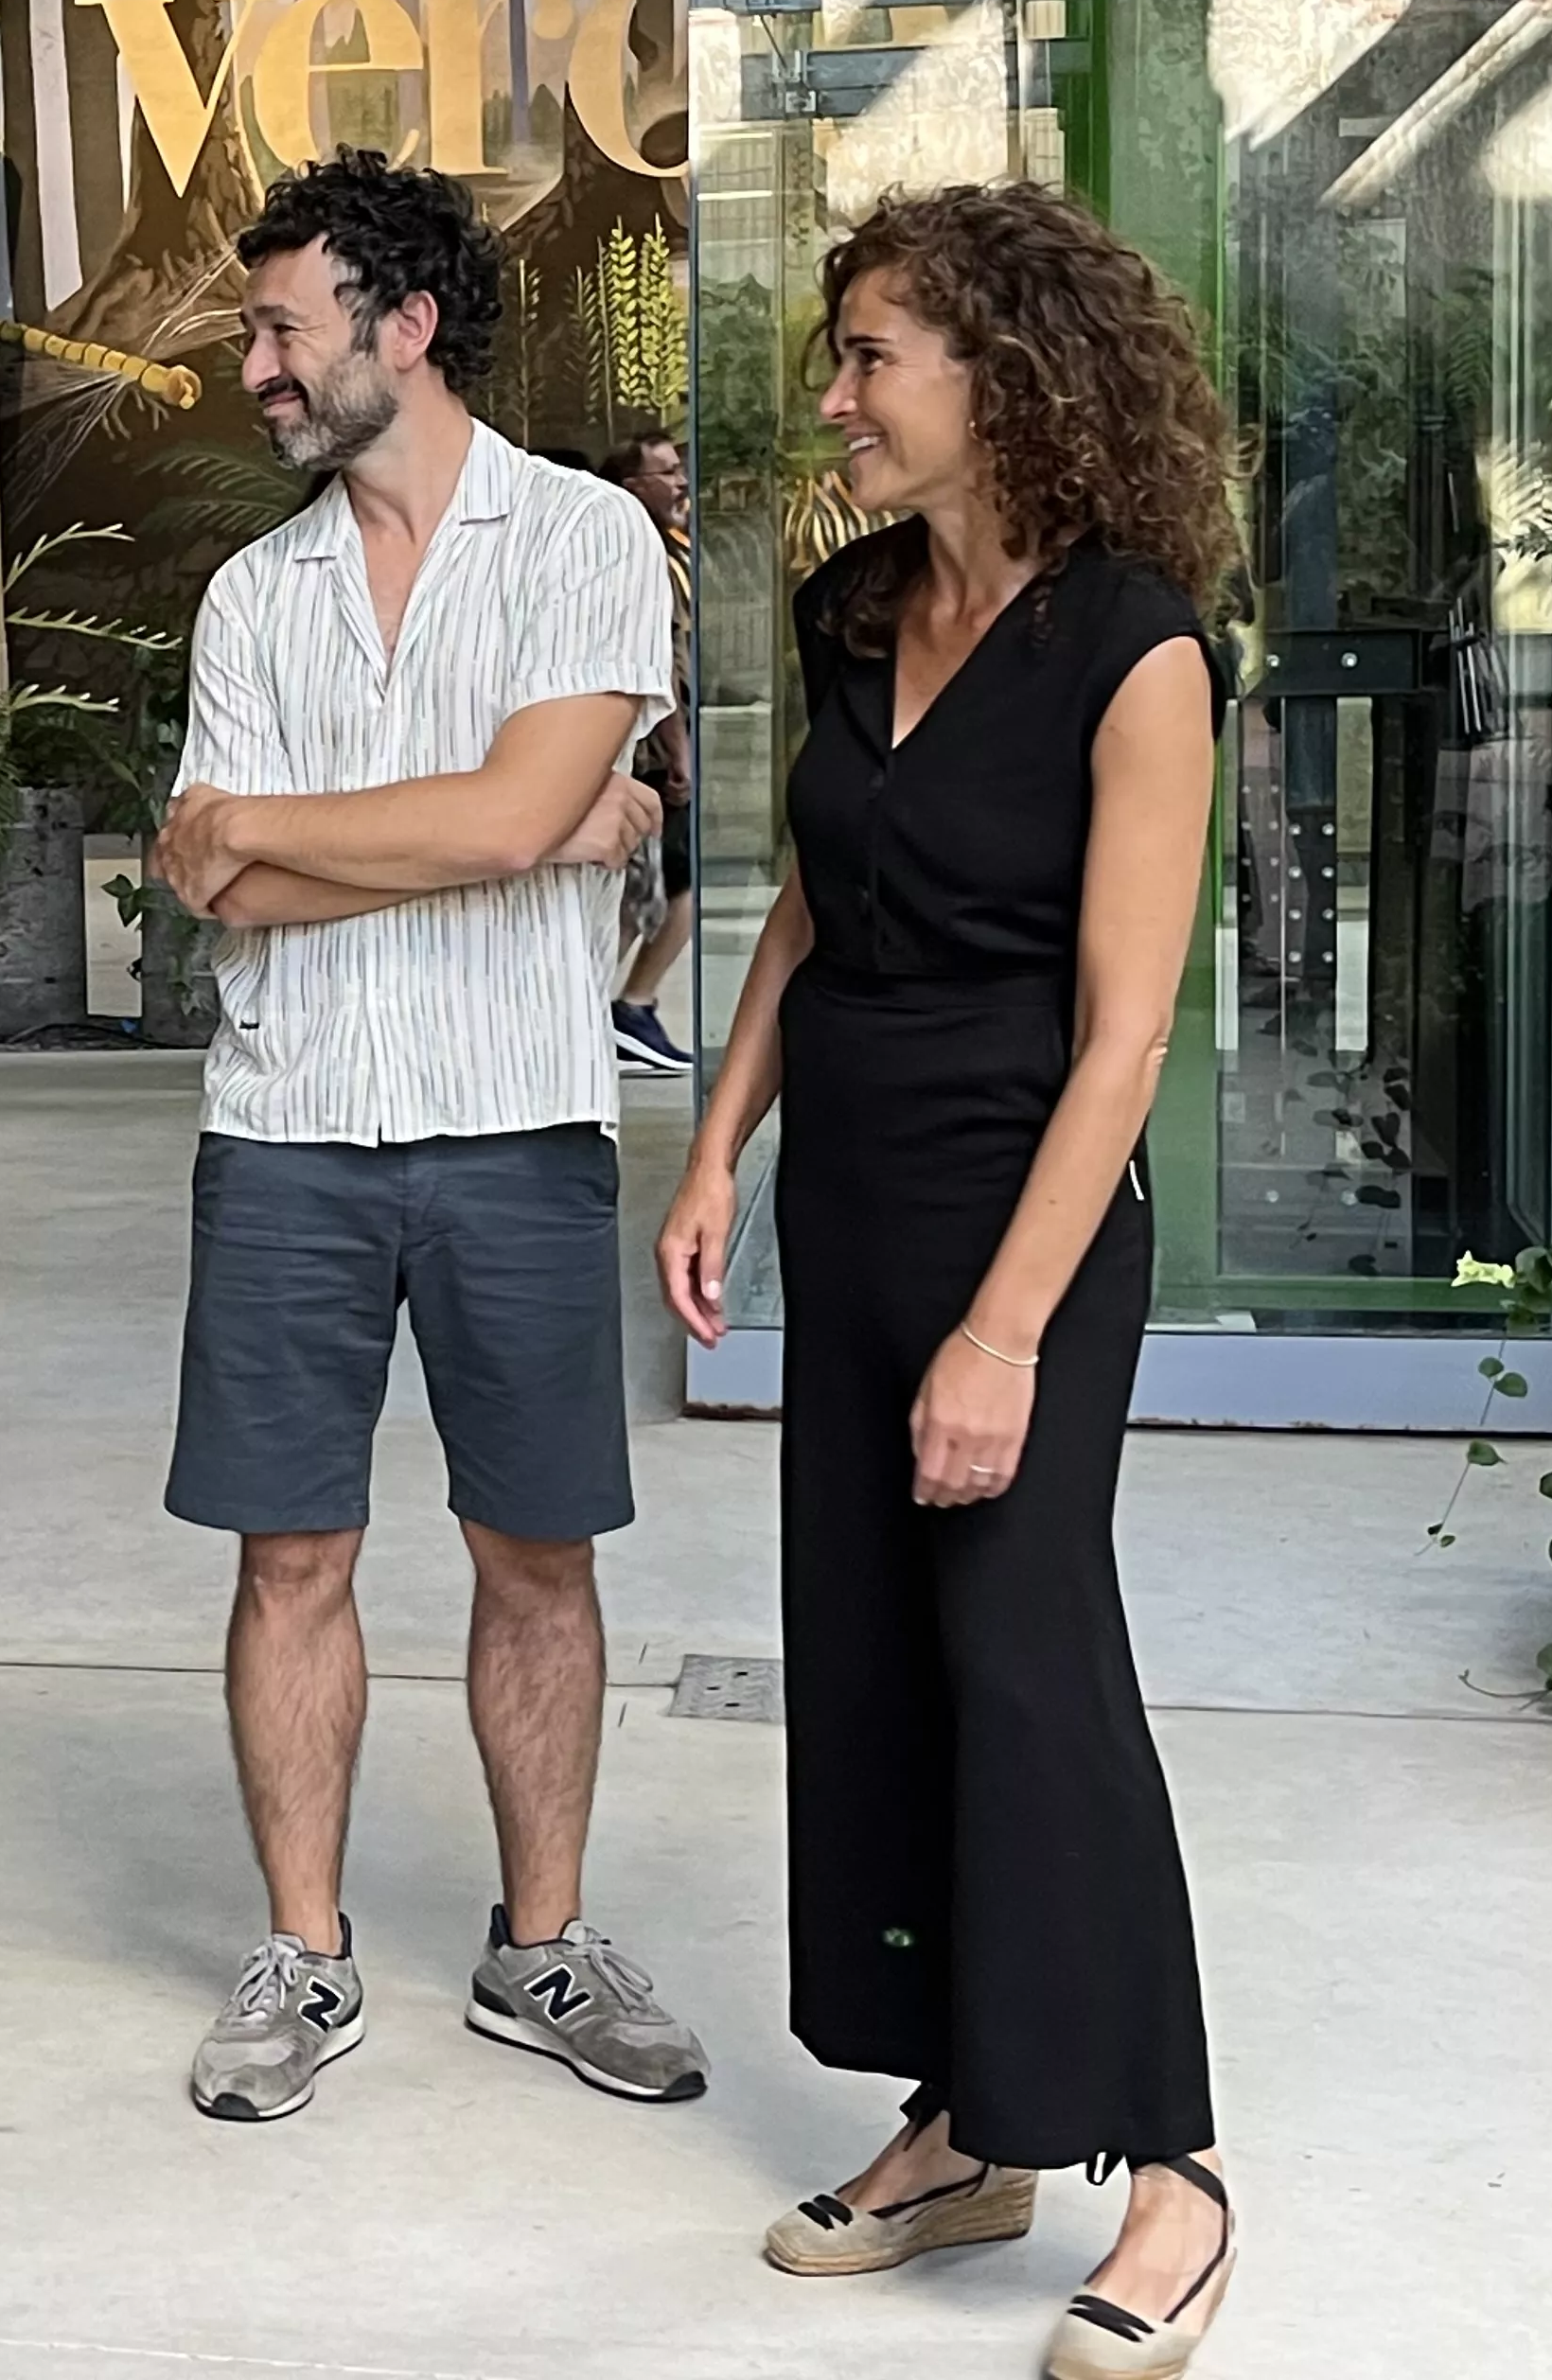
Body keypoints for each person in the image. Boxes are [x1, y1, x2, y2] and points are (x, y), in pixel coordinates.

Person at [654, 183, 1239, 2380]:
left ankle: (1171, 2167)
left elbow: (1127, 1035)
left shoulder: (1138, 650)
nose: (840, 396)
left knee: (1025, 1652)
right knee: (880, 1657)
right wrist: (718, 1147)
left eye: (875, 354)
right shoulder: (849, 607)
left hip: (1034, 1212)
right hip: (855, 1198)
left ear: (1005, 374)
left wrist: (1005, 1324)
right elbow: (809, 911)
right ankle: (967, 2122)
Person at [149, 150, 696, 2124]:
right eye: (257, 327)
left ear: (405, 325)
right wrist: (523, 823)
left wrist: (417, 821)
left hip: (519, 1126)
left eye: (285, 326)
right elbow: (218, 887)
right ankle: (304, 1958)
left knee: (533, 1553)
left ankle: (540, 1945)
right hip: (288, 1127)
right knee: (291, 1555)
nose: (255, 365)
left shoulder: (582, 545)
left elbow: (404, 828)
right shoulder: (252, 592)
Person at [602, 430, 697, 1077]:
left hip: (658, 755)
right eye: (665, 472)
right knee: (672, 887)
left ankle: (626, 1006)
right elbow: (654, 666)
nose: (681, 483)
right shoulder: (637, 558)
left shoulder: (670, 551)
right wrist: (678, 752)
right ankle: (628, 1006)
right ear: (634, 487)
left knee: (659, 889)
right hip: (649, 763)